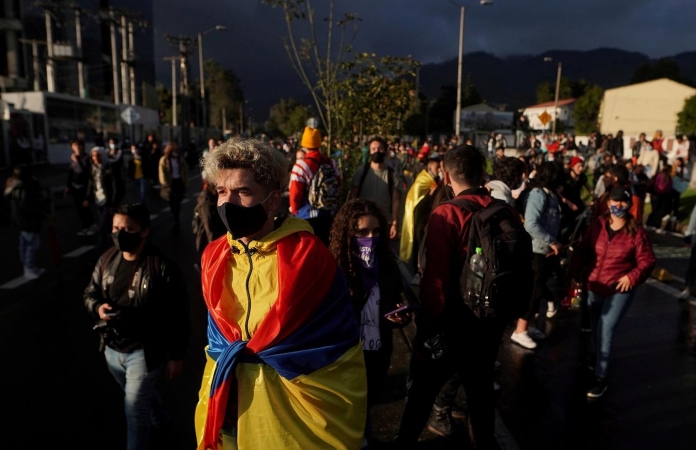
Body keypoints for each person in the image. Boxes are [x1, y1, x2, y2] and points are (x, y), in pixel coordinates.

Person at [195, 138, 367, 450]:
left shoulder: (309, 260)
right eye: (222, 192)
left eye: (243, 192)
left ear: (273, 201)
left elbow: (335, 345)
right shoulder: (213, 258)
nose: (227, 203)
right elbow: (216, 345)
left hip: (291, 418)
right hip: (226, 409)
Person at [395, 145, 504, 449]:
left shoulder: (448, 213)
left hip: (453, 322)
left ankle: (403, 442)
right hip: (488, 322)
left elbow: (436, 280)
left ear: (445, 175)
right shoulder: (501, 210)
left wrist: (428, 327)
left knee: (422, 394)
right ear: (483, 174)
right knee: (480, 399)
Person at [83, 203, 190, 450]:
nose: (120, 234)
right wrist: (98, 307)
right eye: (116, 228)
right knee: (140, 398)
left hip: (144, 352)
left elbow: (179, 315)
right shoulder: (107, 259)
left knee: (134, 409)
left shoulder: (161, 267)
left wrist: (176, 355)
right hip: (112, 349)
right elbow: (90, 292)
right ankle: (163, 420)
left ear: (144, 231)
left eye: (128, 229)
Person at [329, 199, 411, 447]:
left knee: (367, 403)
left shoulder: (387, 265)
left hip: (378, 352)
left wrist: (400, 316)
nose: (370, 237)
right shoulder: (335, 268)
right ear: (348, 233)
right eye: (362, 232)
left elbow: (392, 301)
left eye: (376, 231)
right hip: (346, 356)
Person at [568, 186, 655, 398]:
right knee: (596, 327)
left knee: (606, 329)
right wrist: (573, 275)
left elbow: (647, 260)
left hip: (619, 289)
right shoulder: (596, 226)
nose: (618, 206)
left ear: (629, 205)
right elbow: (581, 252)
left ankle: (601, 377)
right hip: (594, 286)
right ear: (608, 204)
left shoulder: (636, 232)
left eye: (623, 202)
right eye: (614, 201)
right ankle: (597, 358)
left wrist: (631, 277)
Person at [510, 161, 563, 349]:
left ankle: (527, 325)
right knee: (534, 291)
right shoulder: (538, 194)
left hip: (543, 250)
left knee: (537, 291)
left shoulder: (548, 193)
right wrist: (552, 241)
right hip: (535, 250)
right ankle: (520, 331)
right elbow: (531, 224)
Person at [289, 126, 341, 245]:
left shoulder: (301, 166)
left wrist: (294, 209)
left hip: (306, 216)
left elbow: (295, 193)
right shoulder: (331, 162)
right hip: (327, 214)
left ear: (304, 144)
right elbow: (338, 183)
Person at [350, 136, 402, 239]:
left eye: (380, 148)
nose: (376, 151)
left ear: (385, 151)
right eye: (373, 149)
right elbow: (353, 196)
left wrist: (394, 223)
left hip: (384, 222)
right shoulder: (361, 171)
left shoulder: (392, 174)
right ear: (369, 151)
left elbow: (396, 200)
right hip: (363, 221)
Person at [5, 164, 47, 279]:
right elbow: (27, 206)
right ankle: (28, 268)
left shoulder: (13, 186)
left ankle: (29, 266)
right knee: (32, 244)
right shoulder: (24, 187)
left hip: (19, 220)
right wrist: (41, 213)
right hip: (27, 220)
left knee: (24, 243)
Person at [400, 153, 441, 264]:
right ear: (430, 167)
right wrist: (430, 195)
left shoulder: (435, 181)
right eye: (437, 167)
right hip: (419, 220)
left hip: (430, 219)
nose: (439, 170)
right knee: (419, 246)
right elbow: (417, 205)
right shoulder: (422, 181)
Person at [88, 147, 117, 251]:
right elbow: (91, 184)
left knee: (102, 229)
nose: (95, 158)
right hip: (97, 201)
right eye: (93, 156)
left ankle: (100, 254)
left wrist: (112, 203)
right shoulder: (93, 168)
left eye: (98, 155)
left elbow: (115, 187)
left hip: (107, 202)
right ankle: (113, 249)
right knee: (107, 228)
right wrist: (88, 198)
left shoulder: (109, 168)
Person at [66, 139, 95, 236]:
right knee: (79, 208)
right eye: (74, 145)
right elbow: (71, 172)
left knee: (86, 206)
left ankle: (92, 225)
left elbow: (84, 171)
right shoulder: (73, 158)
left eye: (79, 145)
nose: (77, 147)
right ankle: (84, 227)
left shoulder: (86, 157)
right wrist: (68, 186)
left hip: (85, 186)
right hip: (75, 186)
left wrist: (77, 161)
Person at [158, 142, 188, 232]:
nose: (176, 151)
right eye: (174, 149)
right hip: (170, 183)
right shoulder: (164, 159)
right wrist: (166, 185)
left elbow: (185, 171)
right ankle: (175, 217)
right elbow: (162, 174)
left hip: (178, 182)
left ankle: (176, 219)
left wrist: (185, 183)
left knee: (177, 201)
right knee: (172, 202)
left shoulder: (180, 159)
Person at [193, 182, 227, 256]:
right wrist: (212, 244)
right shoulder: (206, 201)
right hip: (211, 238)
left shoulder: (212, 196)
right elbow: (208, 225)